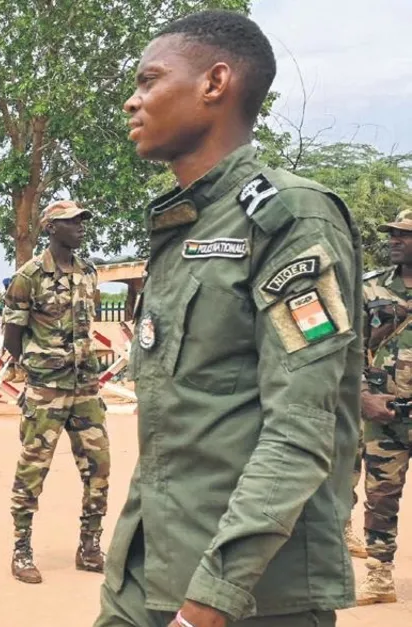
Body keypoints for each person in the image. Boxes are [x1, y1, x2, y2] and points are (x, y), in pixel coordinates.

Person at [95, 10, 362, 627]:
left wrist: (211, 599)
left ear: (215, 83)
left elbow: (301, 429)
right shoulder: (187, 225)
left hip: (250, 596)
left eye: (150, 80)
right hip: (150, 570)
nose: (133, 102)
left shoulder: (288, 218)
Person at [2, 200, 110, 584]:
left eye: (82, 221)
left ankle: (90, 547)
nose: (81, 226)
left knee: (99, 468)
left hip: (86, 388)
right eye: (72, 222)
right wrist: (36, 371)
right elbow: (12, 336)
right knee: (32, 470)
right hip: (47, 391)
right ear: (51, 228)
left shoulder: (88, 272)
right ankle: (21, 550)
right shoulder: (28, 277)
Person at [354, 209, 412, 605]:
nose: (394, 240)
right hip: (386, 413)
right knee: (380, 497)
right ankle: (379, 576)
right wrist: (362, 396)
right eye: (392, 233)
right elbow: (349, 349)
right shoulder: (370, 289)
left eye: (404, 235)